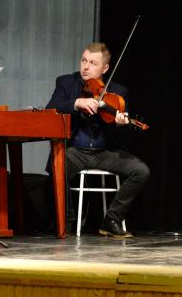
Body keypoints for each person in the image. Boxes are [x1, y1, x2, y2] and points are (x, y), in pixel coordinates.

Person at [45, 42, 150, 238]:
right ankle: (66, 220)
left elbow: (122, 135)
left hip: (106, 152)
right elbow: (51, 108)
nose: (86, 67)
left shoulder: (118, 92)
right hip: (75, 151)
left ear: (105, 68)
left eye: (93, 63)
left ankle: (111, 219)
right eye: (84, 61)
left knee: (141, 171)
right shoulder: (66, 82)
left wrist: (121, 124)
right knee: (57, 164)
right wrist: (76, 102)